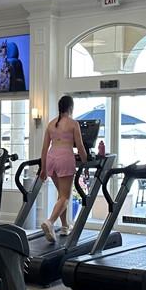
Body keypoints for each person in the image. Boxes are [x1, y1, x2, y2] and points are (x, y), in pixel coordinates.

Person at [38, 95, 88, 244]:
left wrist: (43, 168)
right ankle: (50, 222)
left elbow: (44, 148)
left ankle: (65, 226)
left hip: (51, 158)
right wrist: (85, 163)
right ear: (70, 107)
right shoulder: (73, 124)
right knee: (65, 197)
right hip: (65, 158)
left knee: (61, 195)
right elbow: (80, 147)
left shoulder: (51, 124)